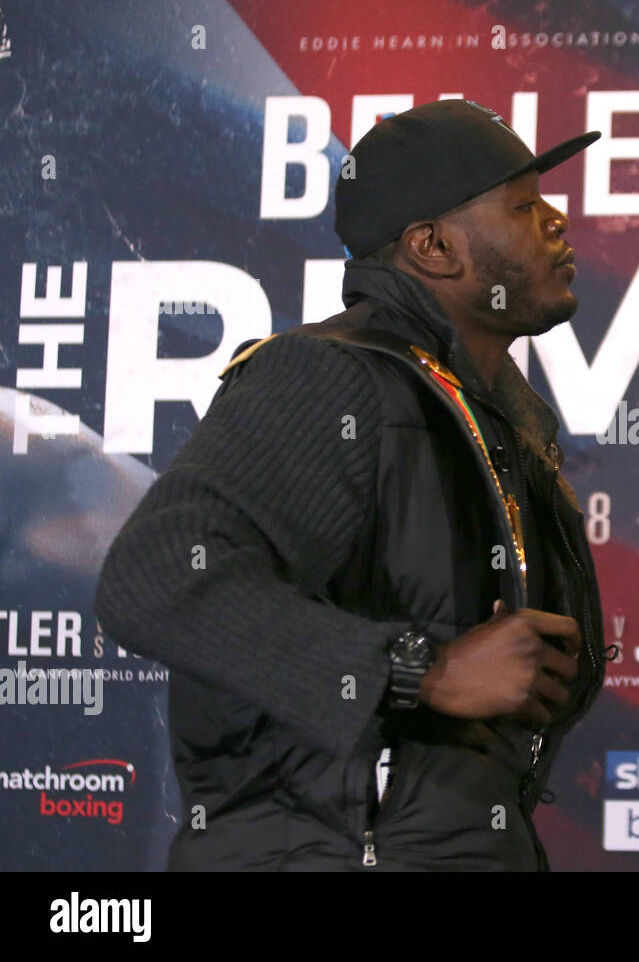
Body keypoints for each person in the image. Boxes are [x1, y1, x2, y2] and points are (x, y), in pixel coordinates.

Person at [95, 99, 608, 871]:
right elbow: (156, 574)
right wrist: (423, 670)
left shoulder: (484, 416)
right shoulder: (331, 376)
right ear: (433, 246)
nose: (557, 221)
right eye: (524, 205)